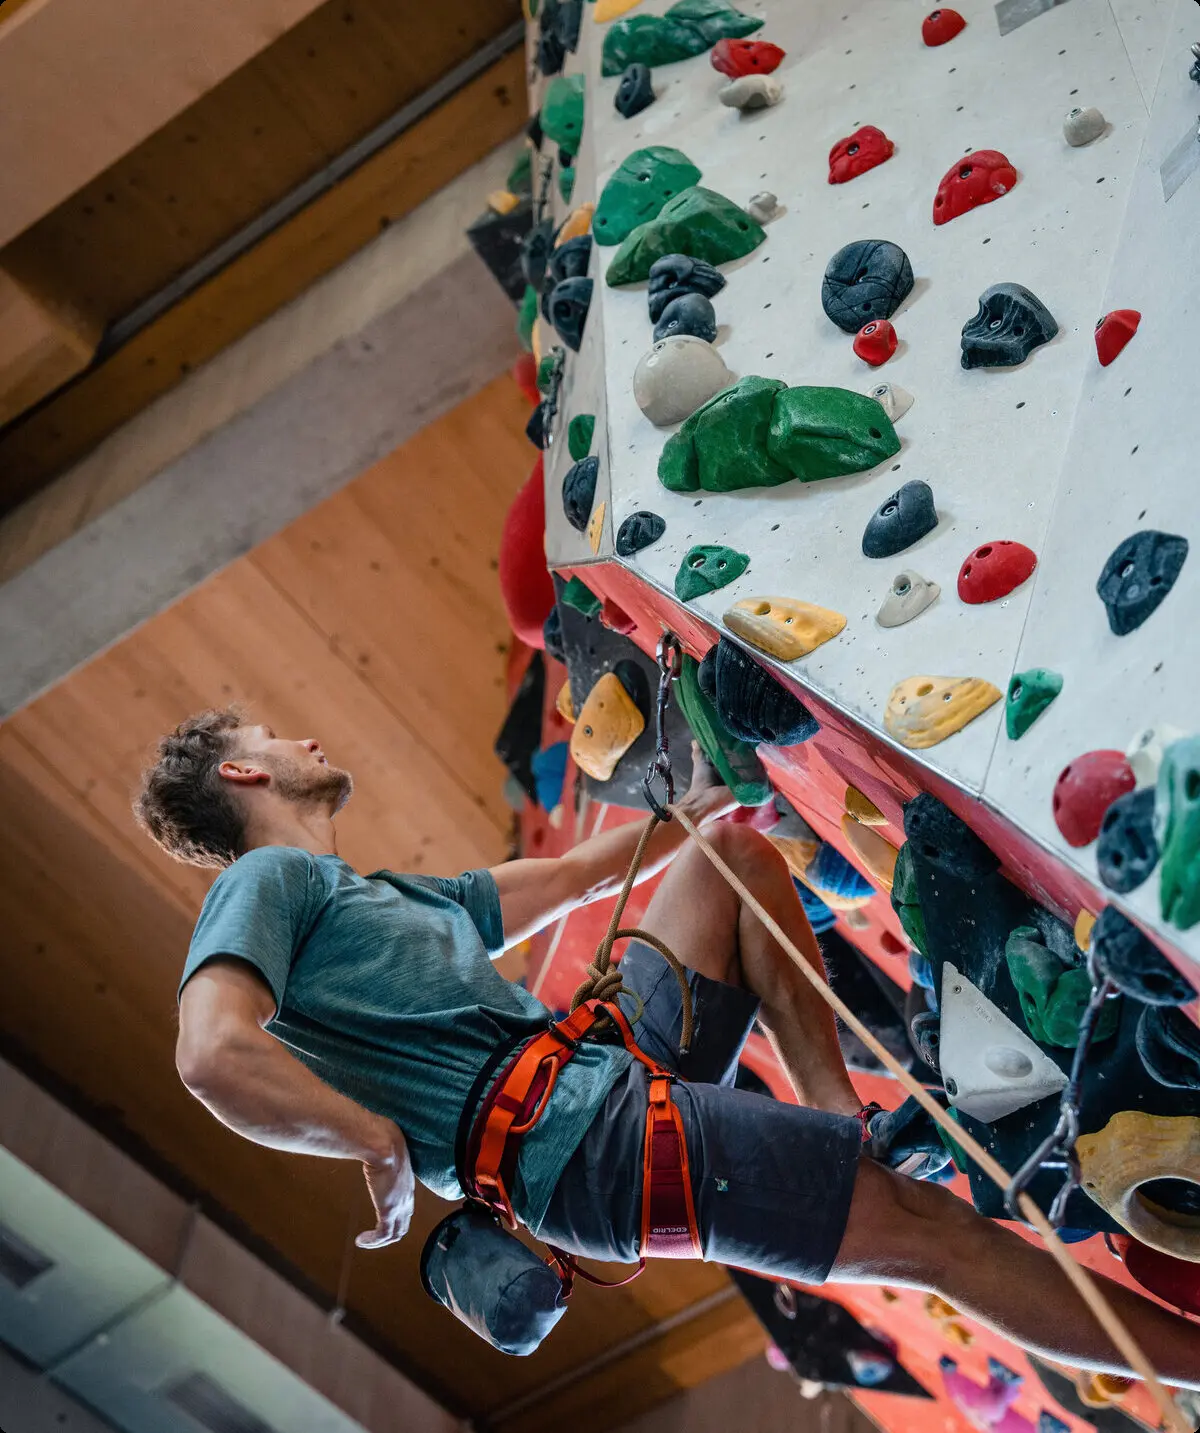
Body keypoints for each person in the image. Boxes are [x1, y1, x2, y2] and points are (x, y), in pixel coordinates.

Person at [134, 709, 1200, 1385]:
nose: (304, 738)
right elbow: (212, 1053)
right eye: (275, 737)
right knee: (930, 1235)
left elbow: (574, 879)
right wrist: (370, 1138)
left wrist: (688, 792)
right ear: (243, 771)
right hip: (578, 1142)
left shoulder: (372, 896)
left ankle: (837, 1114)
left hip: (591, 1077)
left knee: (727, 857)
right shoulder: (264, 882)